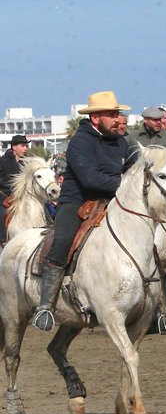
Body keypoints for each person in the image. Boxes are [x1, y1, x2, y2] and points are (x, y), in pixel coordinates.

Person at [33, 91, 132, 332]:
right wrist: (125, 185)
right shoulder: (80, 141)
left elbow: (133, 170)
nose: (118, 118)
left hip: (112, 202)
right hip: (76, 202)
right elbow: (90, 179)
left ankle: (156, 305)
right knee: (63, 240)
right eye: (112, 114)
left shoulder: (121, 142)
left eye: (118, 113)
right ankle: (45, 306)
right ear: (96, 118)